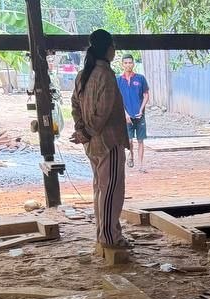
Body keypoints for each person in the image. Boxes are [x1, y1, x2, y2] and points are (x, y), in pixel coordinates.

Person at [70, 29, 131, 260]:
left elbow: (75, 105)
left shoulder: (82, 75)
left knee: (101, 189)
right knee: (111, 190)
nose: (114, 50)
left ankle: (105, 233)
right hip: (108, 141)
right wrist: (86, 131)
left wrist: (81, 131)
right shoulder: (105, 75)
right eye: (113, 46)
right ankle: (109, 237)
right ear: (108, 49)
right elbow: (103, 112)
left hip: (92, 143)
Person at [116, 54, 150, 172]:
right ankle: (131, 154)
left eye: (130, 62)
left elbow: (146, 95)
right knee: (129, 140)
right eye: (125, 63)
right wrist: (125, 114)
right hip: (126, 116)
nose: (128, 65)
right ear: (122, 65)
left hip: (139, 116)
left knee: (140, 140)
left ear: (133, 64)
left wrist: (141, 110)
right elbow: (117, 100)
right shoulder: (118, 80)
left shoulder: (140, 78)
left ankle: (141, 165)